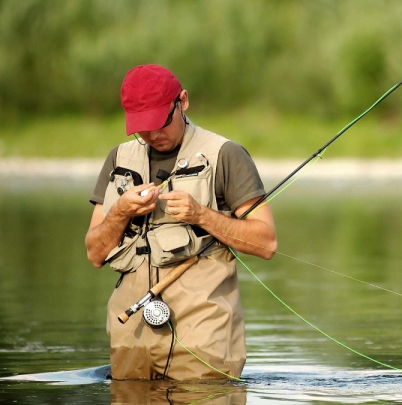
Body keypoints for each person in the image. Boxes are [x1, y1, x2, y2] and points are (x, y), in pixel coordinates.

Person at [85, 64, 277, 380]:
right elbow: (94, 254)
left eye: (161, 122)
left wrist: (201, 214)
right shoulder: (117, 159)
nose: (153, 135)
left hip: (204, 340)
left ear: (183, 101)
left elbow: (266, 243)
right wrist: (120, 211)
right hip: (130, 336)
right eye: (142, 127)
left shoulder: (226, 155)